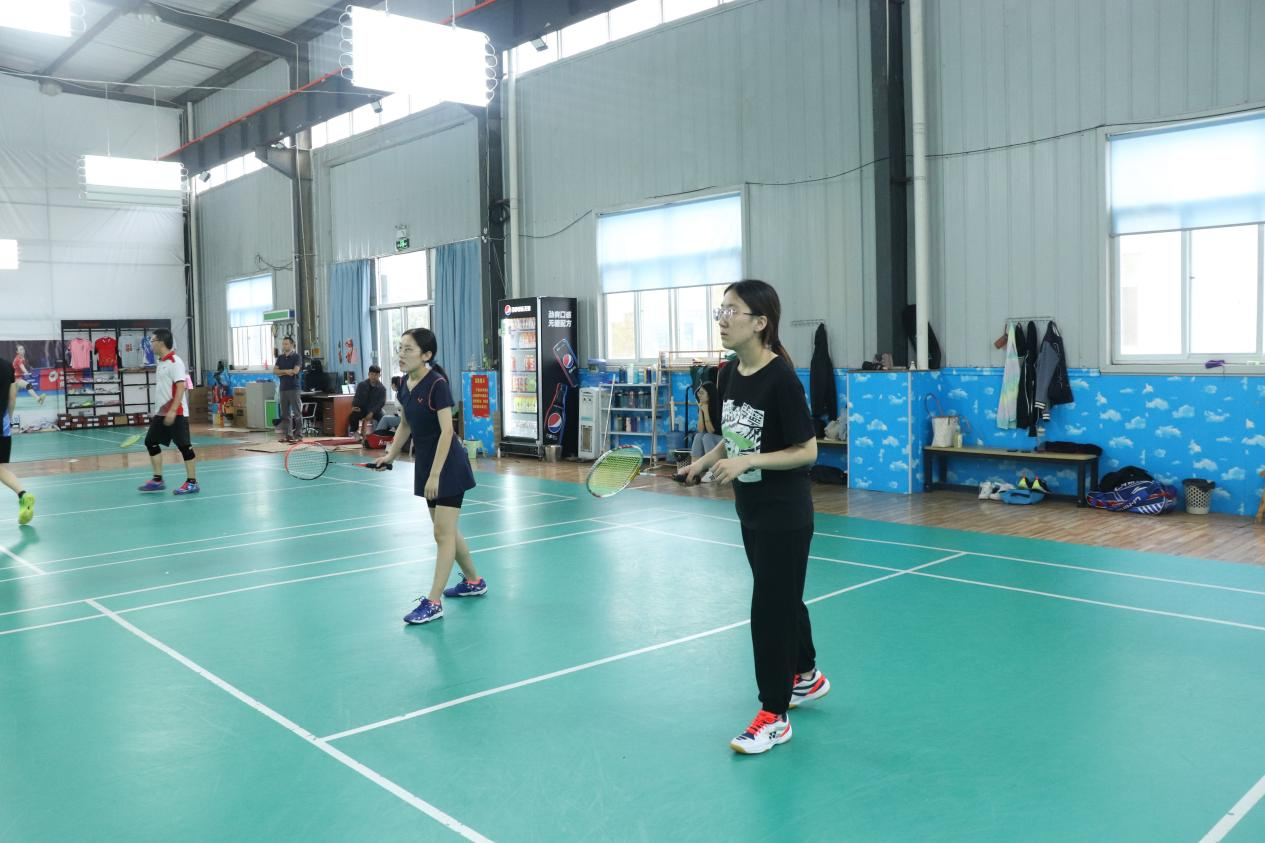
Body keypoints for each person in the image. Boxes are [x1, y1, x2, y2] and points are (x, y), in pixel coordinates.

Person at [677, 279, 828, 755]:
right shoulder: (727, 374)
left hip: (785, 513)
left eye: (732, 311)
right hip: (751, 510)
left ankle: (774, 715)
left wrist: (748, 463)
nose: (722, 320)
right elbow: (734, 435)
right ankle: (806, 674)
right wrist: (703, 462)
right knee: (782, 597)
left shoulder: (781, 378)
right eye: (720, 310)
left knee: (768, 612)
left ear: (760, 323)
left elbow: (807, 450)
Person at [375, 328, 482, 625]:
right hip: (426, 463)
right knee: (445, 530)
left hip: (447, 464)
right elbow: (405, 424)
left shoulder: (437, 384)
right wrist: (390, 456)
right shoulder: (405, 385)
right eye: (400, 348)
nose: (401, 354)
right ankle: (474, 581)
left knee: (442, 533)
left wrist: (435, 476)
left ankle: (433, 602)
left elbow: (447, 431)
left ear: (426, 355)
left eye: (408, 349)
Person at [138, 329, 199, 495]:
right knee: (150, 442)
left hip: (176, 412)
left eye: (152, 341)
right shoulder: (161, 362)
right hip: (161, 413)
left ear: (161, 342)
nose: (150, 344)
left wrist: (172, 410)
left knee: (184, 447)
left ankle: (192, 483)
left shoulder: (175, 362)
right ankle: (158, 480)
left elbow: (181, 386)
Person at [0, 356, 41, 524]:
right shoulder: (6, 366)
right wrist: (8, 420)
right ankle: (23, 495)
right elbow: (12, 398)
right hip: (3, 425)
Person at [690, 381, 723, 474]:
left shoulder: (719, 407)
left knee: (707, 436)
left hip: (723, 441)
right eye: (698, 393)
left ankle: (713, 470)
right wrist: (701, 411)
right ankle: (693, 467)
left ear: (709, 395)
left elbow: (711, 431)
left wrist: (706, 412)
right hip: (712, 440)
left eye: (702, 393)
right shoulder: (703, 406)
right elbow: (700, 430)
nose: (699, 395)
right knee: (698, 436)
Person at [273, 336, 302, 442]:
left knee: (297, 413)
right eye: (283, 344)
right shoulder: (280, 358)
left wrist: (282, 372)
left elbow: (295, 371)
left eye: (286, 344)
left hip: (294, 388)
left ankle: (298, 436)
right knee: (285, 414)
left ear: (292, 345)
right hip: (283, 388)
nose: (284, 346)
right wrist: (286, 371)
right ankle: (288, 435)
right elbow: (275, 371)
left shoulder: (297, 357)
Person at [348, 365, 387, 438]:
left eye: (376, 375)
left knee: (383, 417)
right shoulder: (361, 385)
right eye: (372, 374)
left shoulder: (382, 388)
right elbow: (356, 397)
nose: (373, 377)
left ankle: (379, 435)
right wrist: (354, 406)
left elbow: (381, 403)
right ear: (368, 374)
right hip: (362, 409)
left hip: (375, 410)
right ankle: (355, 433)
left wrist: (372, 412)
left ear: (379, 375)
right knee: (353, 415)